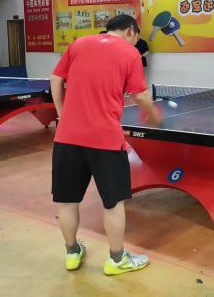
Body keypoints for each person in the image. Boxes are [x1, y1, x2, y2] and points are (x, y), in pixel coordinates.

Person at [50, 14, 162, 276]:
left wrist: (62, 115)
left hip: (66, 138)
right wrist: (155, 117)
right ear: (131, 31)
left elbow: (55, 79)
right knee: (113, 203)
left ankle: (72, 254)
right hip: (106, 140)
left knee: (67, 202)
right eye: (136, 37)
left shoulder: (78, 44)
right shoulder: (131, 53)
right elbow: (141, 95)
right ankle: (116, 260)